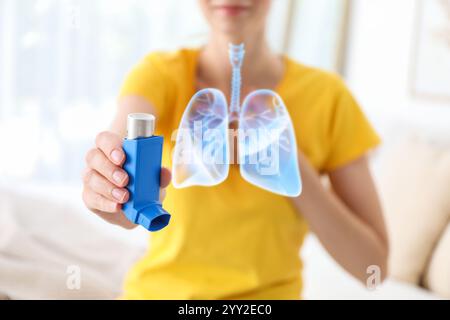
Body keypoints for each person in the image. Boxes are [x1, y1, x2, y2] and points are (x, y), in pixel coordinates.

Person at [82, 0, 388, 299]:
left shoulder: (327, 97)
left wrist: (288, 165)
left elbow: (372, 268)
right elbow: (121, 167)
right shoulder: (160, 75)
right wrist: (112, 189)